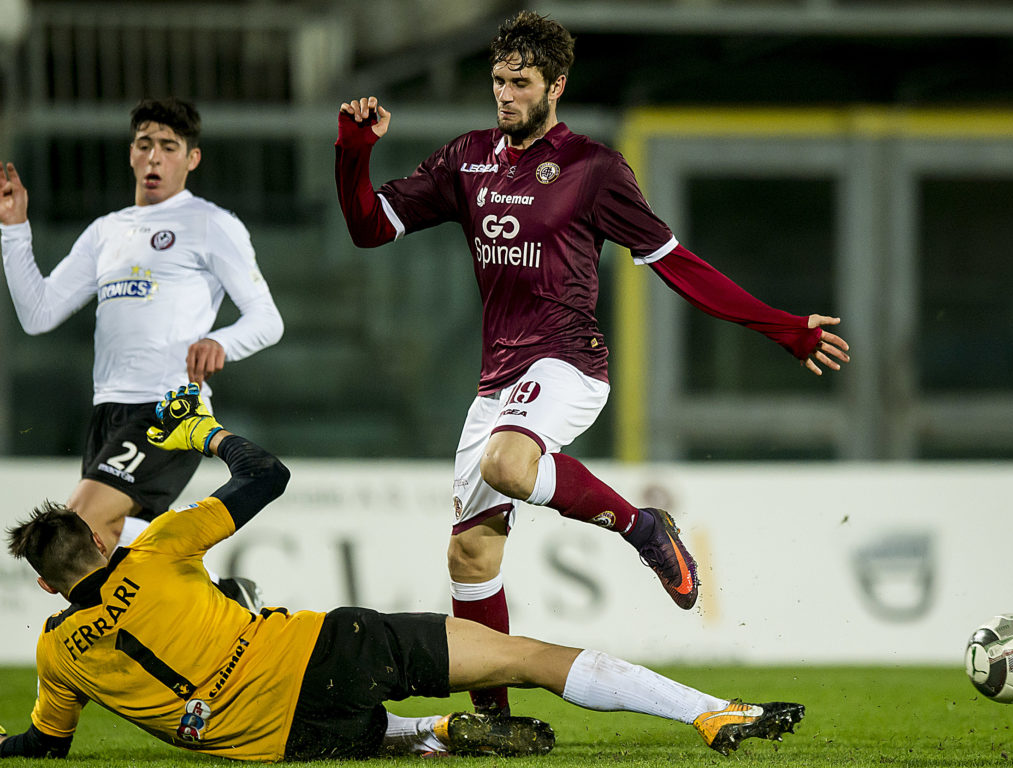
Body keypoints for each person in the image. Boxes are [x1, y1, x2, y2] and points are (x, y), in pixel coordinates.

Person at [334, 10, 851, 714]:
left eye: (521, 83)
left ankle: (644, 528)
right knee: (470, 557)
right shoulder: (467, 159)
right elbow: (368, 227)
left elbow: (679, 264)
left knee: (506, 464)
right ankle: (494, 720)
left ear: (556, 86)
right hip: (497, 380)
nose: (505, 95)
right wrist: (353, 151)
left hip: (567, 362)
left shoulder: (594, 169)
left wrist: (783, 328)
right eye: (498, 81)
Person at [1, 384, 805, 761]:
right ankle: (710, 713)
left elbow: (43, 746)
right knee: (528, 659)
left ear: (44, 584)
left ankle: (434, 735)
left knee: (356, 732)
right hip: (325, 652)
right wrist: (205, 433)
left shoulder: (55, 652)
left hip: (284, 742)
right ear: (100, 542)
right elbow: (267, 475)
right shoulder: (158, 548)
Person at [0, 97, 284, 607]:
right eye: (145, 144)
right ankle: (224, 599)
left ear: (192, 159)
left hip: (167, 408)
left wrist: (221, 341)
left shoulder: (210, 223)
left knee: (75, 535)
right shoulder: (105, 231)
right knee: (119, 555)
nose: (154, 157)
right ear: (131, 153)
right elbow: (38, 313)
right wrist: (14, 229)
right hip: (108, 411)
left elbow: (267, 319)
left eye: (169, 147)